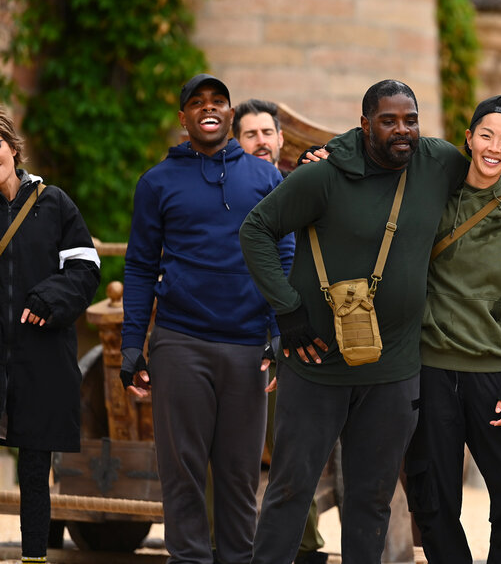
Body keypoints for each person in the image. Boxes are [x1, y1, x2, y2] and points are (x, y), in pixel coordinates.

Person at [239, 79, 501, 564]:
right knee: (289, 493)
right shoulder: (323, 174)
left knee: (372, 501)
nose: (402, 130)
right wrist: (288, 310)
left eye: (411, 120)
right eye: (388, 120)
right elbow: (256, 229)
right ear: (365, 124)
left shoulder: (435, 161)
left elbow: (488, 174)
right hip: (317, 364)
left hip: (394, 373)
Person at [120, 75, 294, 564]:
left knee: (240, 477)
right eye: (196, 103)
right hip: (180, 343)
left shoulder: (264, 179)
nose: (208, 108)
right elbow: (138, 264)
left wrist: (280, 329)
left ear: (230, 113)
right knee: (182, 476)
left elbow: (285, 253)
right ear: (184, 118)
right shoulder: (156, 183)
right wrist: (133, 345)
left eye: (217, 101)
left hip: (247, 347)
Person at [404, 95, 501, 564]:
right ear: (468, 138)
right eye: (485, 134)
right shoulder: (433, 199)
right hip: (430, 368)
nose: (493, 146)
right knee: (434, 499)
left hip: (491, 373)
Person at [0, 106, 101, 564]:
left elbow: (85, 268)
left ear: (12, 147)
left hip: (37, 352)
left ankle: (34, 557)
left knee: (35, 465)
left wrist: (48, 299)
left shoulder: (53, 202)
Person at [233, 98, 328, 564]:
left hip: (290, 336)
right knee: (228, 452)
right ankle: (229, 547)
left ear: (280, 140)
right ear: (236, 143)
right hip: (234, 333)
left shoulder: (302, 188)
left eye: (266, 133)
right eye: (249, 134)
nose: (260, 142)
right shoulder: (225, 191)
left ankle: (305, 548)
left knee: (294, 450)